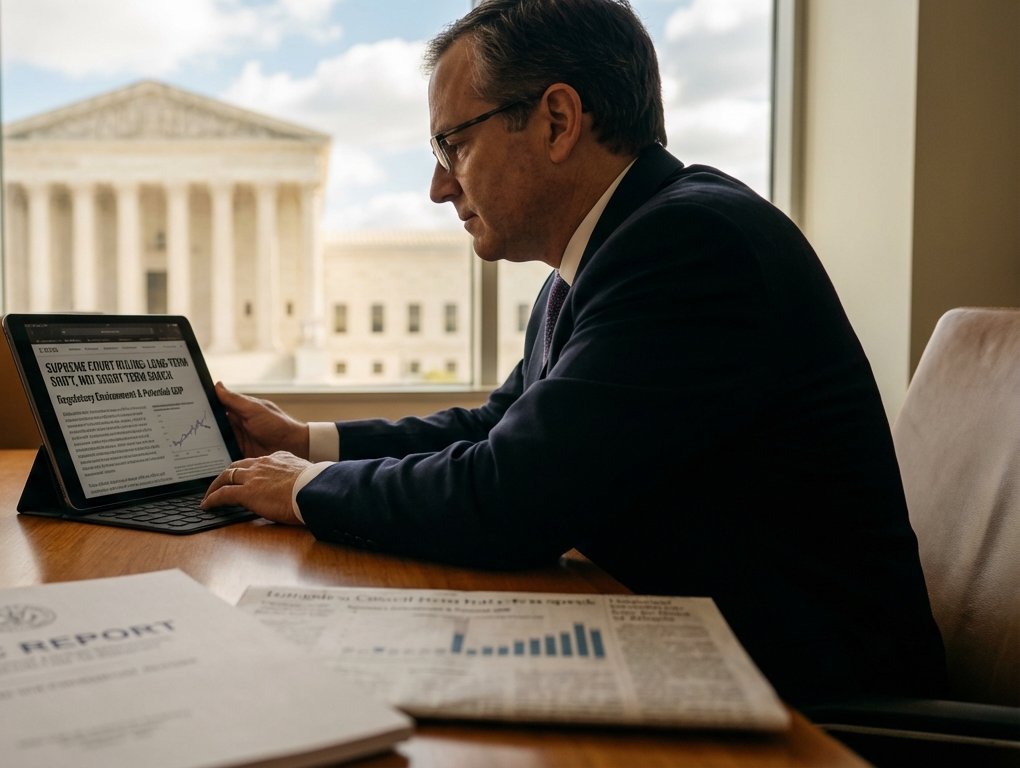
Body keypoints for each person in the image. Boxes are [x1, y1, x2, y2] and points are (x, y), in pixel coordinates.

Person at [201, 0, 946, 706]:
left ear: (557, 121)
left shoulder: (691, 248)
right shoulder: (602, 258)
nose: (437, 187)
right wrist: (308, 443)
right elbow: (498, 429)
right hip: (697, 648)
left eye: (452, 144)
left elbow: (508, 496)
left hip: (812, 703)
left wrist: (303, 488)